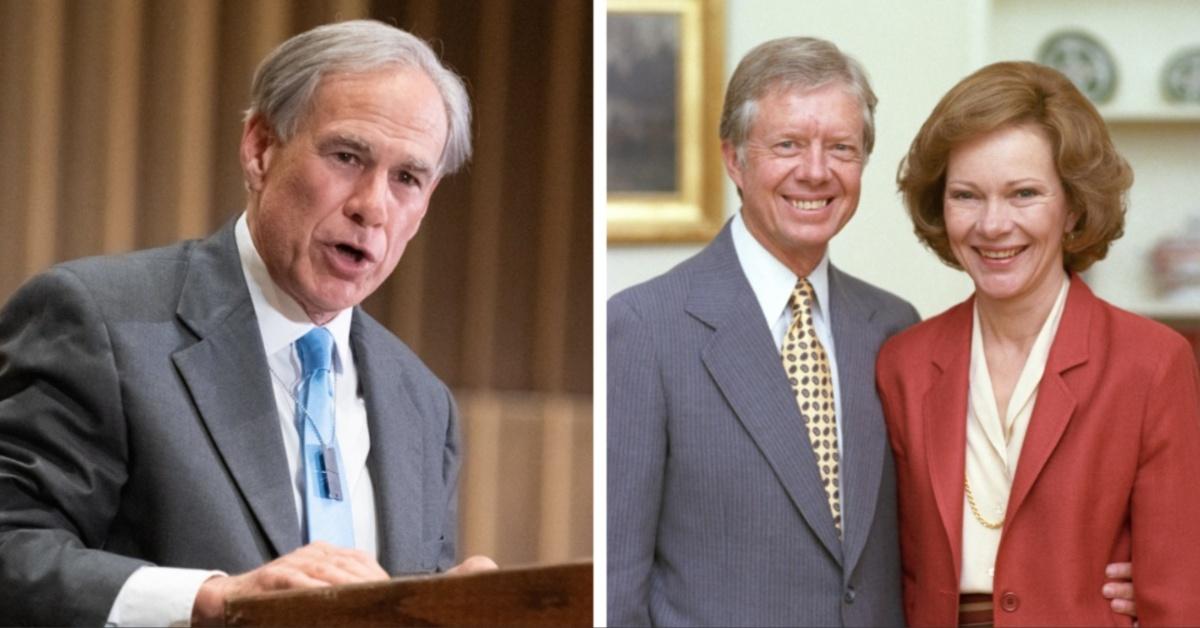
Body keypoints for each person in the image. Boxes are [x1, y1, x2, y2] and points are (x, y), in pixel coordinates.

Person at [608, 38, 1142, 626]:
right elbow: (616, 588)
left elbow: (942, 538)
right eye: (788, 145)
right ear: (734, 158)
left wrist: (1121, 571)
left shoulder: (894, 330)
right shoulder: (644, 329)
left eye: (841, 148)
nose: (815, 172)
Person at [0, 20, 495, 627]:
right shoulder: (99, 320)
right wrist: (211, 600)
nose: (373, 206)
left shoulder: (422, 404)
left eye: (407, 179)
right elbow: (13, 549)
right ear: (260, 147)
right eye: (347, 156)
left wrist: (454, 608)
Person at [879, 60, 1200, 625]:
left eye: (1024, 193)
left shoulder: (1151, 364)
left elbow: (1176, 596)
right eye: (967, 196)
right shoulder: (902, 363)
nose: (993, 225)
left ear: (1072, 205)